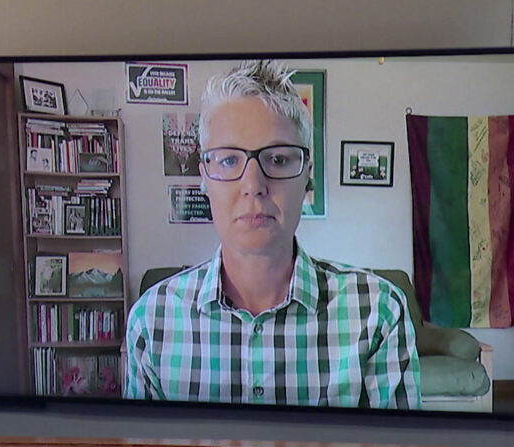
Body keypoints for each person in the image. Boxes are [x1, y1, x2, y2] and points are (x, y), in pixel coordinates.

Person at [124, 60, 420, 409]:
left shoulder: (377, 313)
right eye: (229, 161)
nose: (254, 186)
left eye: (278, 160)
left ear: (307, 176)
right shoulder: (151, 321)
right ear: (204, 177)